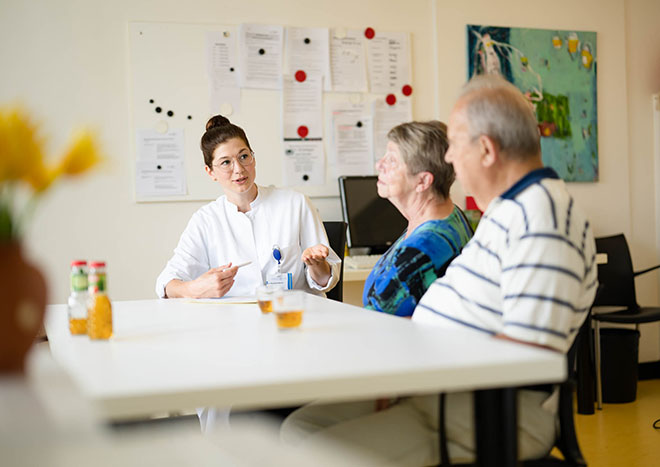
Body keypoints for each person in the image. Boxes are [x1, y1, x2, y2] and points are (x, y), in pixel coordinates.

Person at [280, 75, 598, 465]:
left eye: (455, 147)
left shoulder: (541, 220)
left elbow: (526, 358)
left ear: (486, 149)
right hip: (441, 390)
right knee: (299, 428)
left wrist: (414, 377)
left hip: (481, 410)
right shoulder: (508, 211)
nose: (448, 159)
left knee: (311, 451)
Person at [155, 115, 340, 300]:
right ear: (210, 172)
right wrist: (195, 289)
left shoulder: (295, 204)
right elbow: (167, 283)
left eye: (244, 156)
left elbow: (326, 280)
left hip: (294, 318)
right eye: (226, 162)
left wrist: (317, 265)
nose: (239, 169)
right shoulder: (206, 220)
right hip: (235, 323)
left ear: (253, 157)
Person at [363, 121, 472, 317]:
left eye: (392, 161)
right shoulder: (451, 214)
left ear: (422, 181)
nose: (379, 165)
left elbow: (377, 320)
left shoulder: (420, 249)